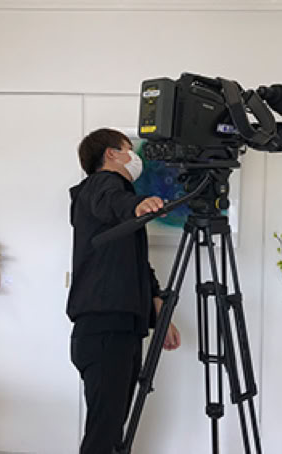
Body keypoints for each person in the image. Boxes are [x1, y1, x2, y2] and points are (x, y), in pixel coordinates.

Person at [67, 128, 182, 453]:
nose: (135, 158)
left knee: (112, 433)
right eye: (128, 149)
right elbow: (111, 200)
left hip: (117, 328)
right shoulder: (101, 185)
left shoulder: (115, 212)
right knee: (103, 437)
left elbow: (137, 264)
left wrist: (158, 307)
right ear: (111, 154)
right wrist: (137, 205)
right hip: (105, 329)